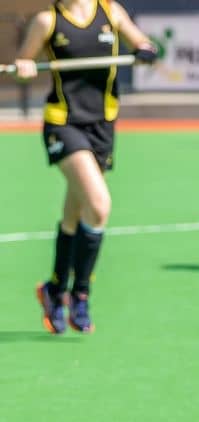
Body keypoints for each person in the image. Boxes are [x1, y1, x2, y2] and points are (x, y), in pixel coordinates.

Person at [12, 0, 157, 335]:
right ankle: (81, 294)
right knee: (99, 204)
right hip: (64, 123)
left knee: (73, 216)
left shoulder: (111, 12)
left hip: (102, 124)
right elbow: (24, 61)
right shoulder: (47, 21)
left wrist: (146, 49)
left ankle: (54, 289)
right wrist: (23, 68)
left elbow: (143, 43)